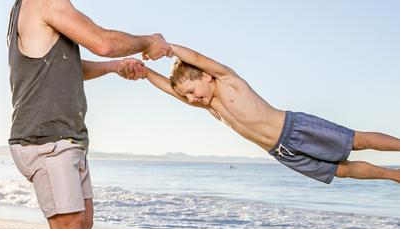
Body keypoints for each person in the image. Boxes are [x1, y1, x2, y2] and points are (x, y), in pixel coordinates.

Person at [7, 0, 171, 229]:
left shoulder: (38, 6)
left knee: (80, 224)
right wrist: (148, 41)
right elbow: (101, 41)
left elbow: (67, 67)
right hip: (46, 138)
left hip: (64, 137)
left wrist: (114, 68)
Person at [146, 43, 400, 185]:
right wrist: (146, 74)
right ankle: (394, 175)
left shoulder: (228, 80)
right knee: (340, 171)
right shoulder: (211, 106)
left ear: (205, 75)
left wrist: (168, 49)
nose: (191, 99)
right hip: (281, 152)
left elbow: (196, 56)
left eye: (191, 91)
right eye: (187, 96)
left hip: (295, 128)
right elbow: (173, 91)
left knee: (356, 141)